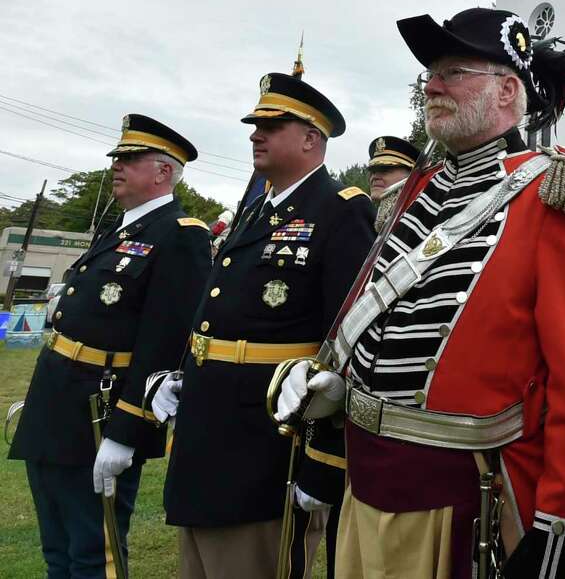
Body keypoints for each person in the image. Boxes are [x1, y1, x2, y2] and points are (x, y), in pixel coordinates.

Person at [275, 6, 565, 579]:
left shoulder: (557, 193)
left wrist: (563, 525)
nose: (433, 85)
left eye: (453, 71)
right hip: (364, 484)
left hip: (466, 502)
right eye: (431, 73)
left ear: (506, 90)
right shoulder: (412, 192)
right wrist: (341, 386)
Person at [156, 73, 375, 579]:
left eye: (272, 126)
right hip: (207, 434)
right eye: (256, 126)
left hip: (268, 448)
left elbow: (348, 344)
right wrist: (184, 375)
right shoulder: (255, 211)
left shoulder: (340, 209)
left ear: (311, 139)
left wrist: (325, 462)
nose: (256, 135)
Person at [9, 114, 211, 578]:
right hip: (56, 405)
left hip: (99, 415)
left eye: (131, 158)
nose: (117, 165)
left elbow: (166, 344)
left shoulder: (180, 235)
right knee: (56, 549)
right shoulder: (119, 229)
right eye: (118, 156)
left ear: (164, 171)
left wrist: (127, 431)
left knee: (93, 551)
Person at [366, 134, 421, 232]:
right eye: (373, 171)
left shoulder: (419, 217)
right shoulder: (381, 219)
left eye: (385, 170)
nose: (374, 177)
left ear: (411, 175)